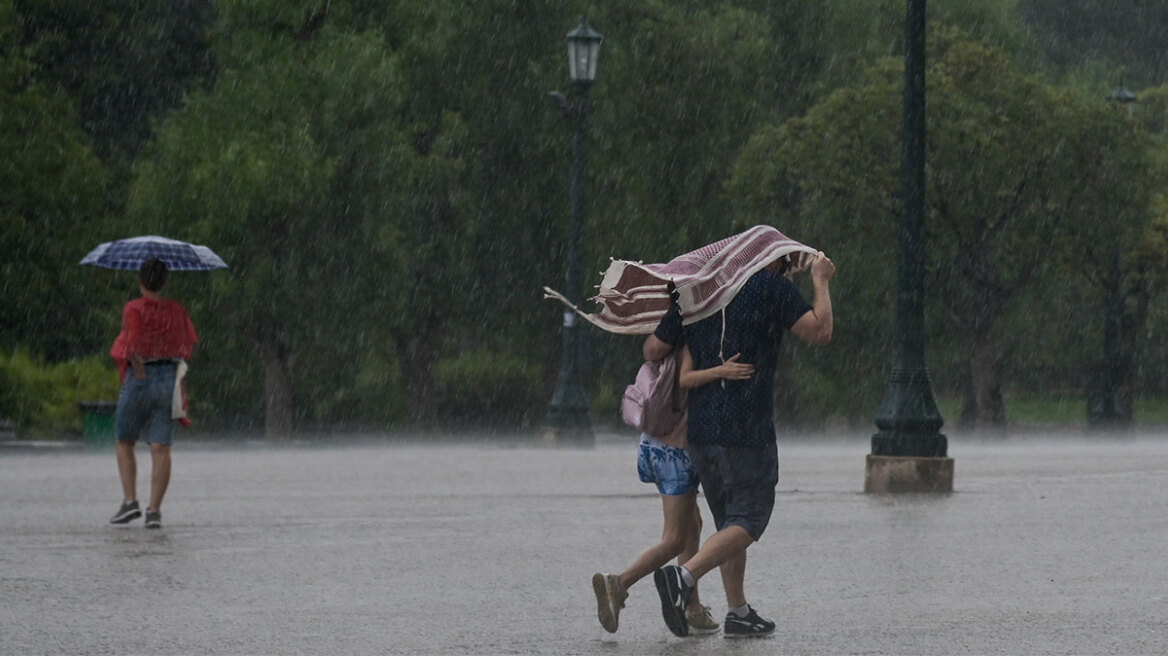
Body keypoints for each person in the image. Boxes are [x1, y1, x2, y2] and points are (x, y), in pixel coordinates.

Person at [645, 250, 835, 638]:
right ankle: (683, 577)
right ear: (771, 261)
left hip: (701, 430)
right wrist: (821, 280)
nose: (788, 274)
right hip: (746, 428)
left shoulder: (697, 291)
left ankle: (739, 612)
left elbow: (652, 349)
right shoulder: (771, 287)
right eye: (786, 266)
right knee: (748, 520)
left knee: (727, 524)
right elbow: (821, 331)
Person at [590, 331, 755, 635]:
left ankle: (691, 607)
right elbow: (685, 379)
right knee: (675, 538)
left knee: (693, 524)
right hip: (676, 452)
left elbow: (652, 351)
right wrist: (723, 371)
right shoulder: (695, 334)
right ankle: (619, 584)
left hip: (654, 442)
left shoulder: (668, 332)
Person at [107, 258, 198, 529]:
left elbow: (130, 343)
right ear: (164, 281)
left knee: (125, 440)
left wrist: (137, 364)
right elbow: (186, 344)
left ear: (140, 280)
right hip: (167, 380)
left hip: (141, 376)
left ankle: (130, 501)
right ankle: (154, 511)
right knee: (161, 448)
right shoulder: (176, 310)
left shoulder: (133, 308)